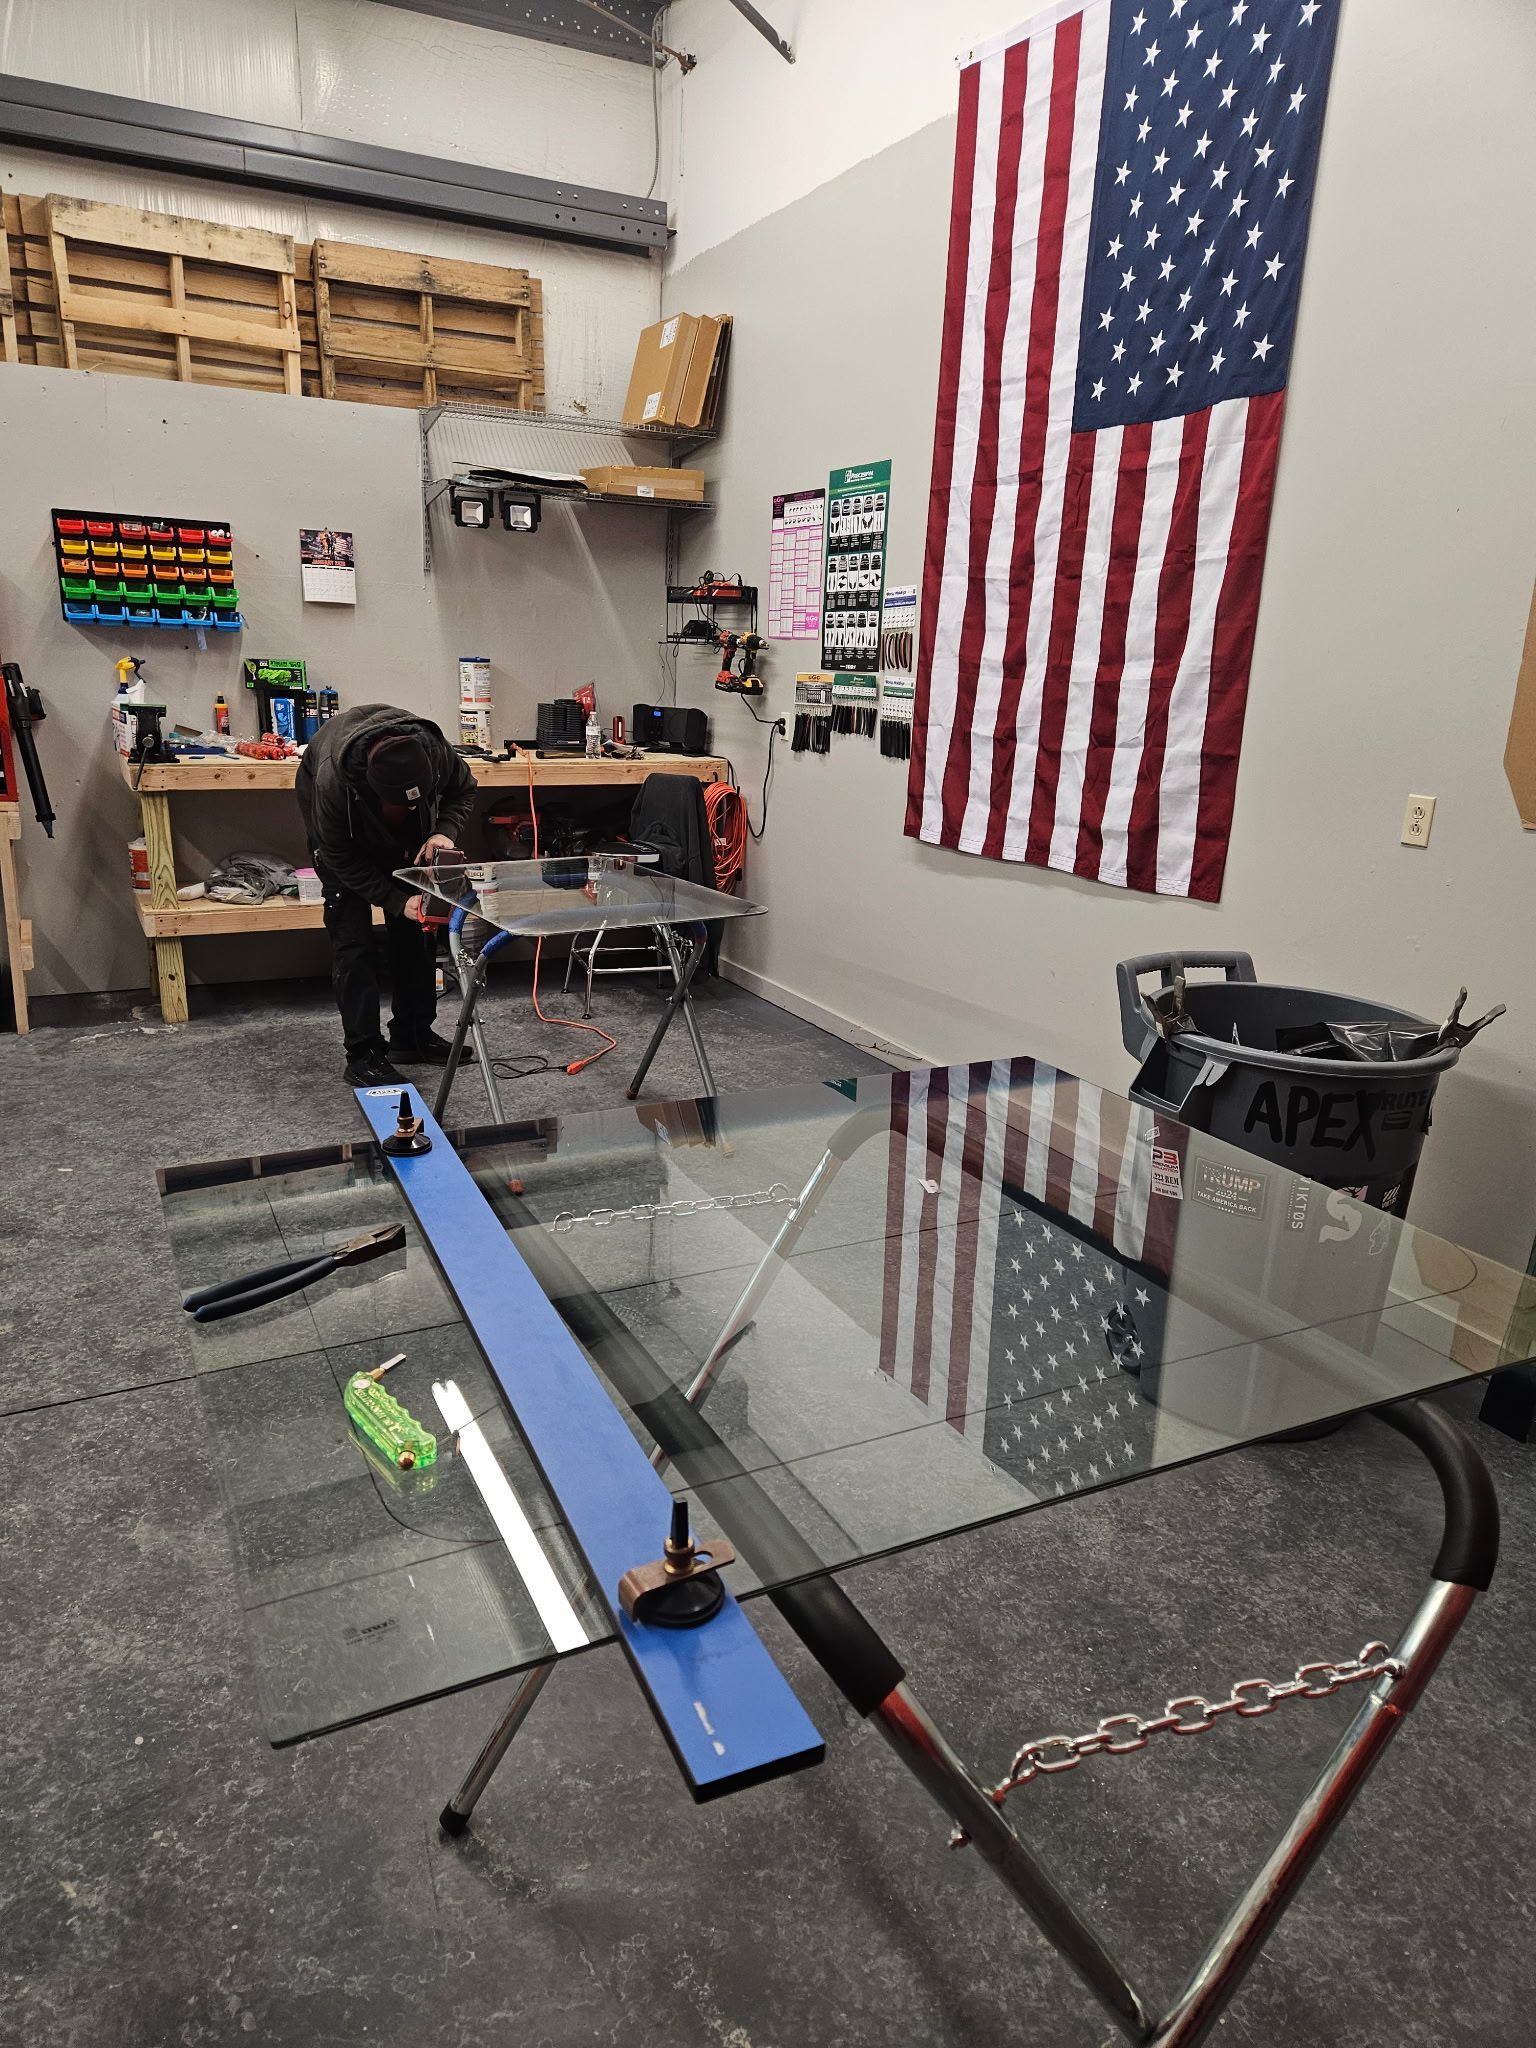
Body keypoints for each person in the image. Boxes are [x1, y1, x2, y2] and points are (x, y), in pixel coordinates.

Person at [296, 702, 477, 1084]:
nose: (408, 809)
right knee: (353, 943)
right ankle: (363, 1054)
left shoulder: (435, 751)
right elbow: (339, 857)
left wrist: (442, 830)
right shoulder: (333, 782)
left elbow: (464, 789)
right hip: (343, 844)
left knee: (418, 932)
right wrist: (395, 900)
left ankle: (412, 1036)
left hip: (407, 839)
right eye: (399, 805)